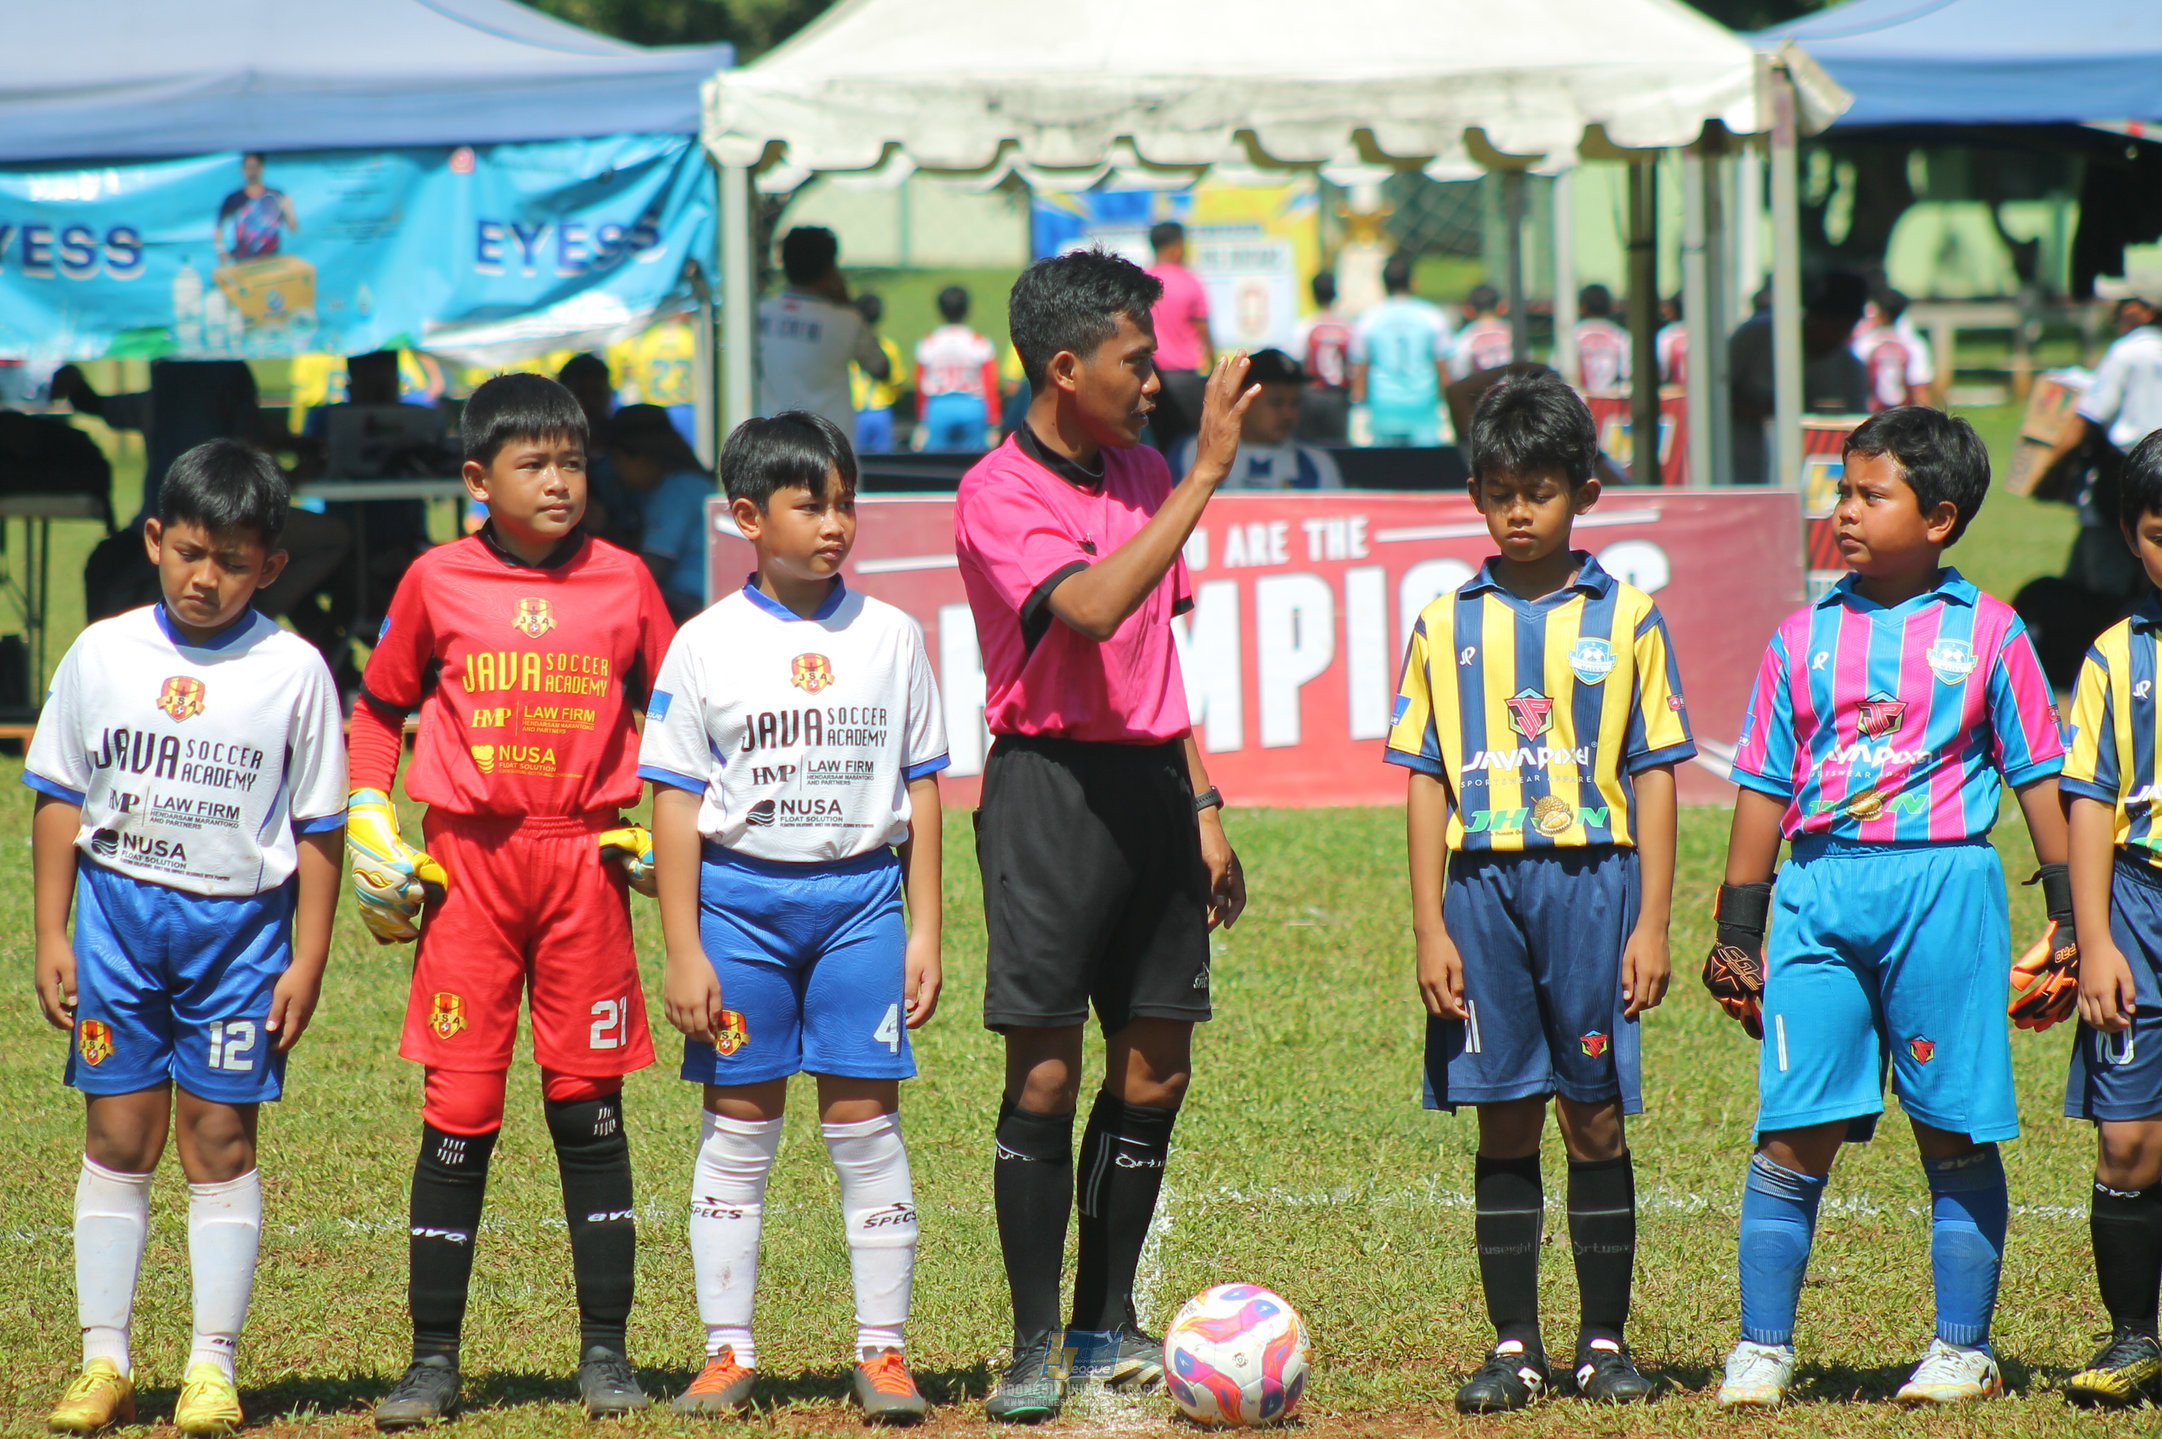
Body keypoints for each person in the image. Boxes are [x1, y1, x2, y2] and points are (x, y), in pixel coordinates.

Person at [1708, 406, 2071, 1408]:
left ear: (1940, 516)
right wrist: (1738, 925)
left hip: (1943, 892)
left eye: (1871, 494)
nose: (1845, 512)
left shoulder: (1990, 633)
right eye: (1842, 492)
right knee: (1791, 1125)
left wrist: (2070, 915)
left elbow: (2038, 776)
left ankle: (1961, 1347)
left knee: (1951, 1126)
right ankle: (1761, 1345)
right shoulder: (1800, 638)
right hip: (1819, 894)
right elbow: (1759, 785)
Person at [953, 250, 1249, 1422]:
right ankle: (1030, 1339)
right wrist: (1207, 473)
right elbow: (1088, 610)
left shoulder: (1137, 467)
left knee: (1155, 1064)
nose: (1155, 377)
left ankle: (1103, 1317)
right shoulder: (995, 493)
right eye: (1136, 358)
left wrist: (1205, 803)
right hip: (1046, 791)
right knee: (1043, 1069)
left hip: (1149, 790)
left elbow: (1154, 652)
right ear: (1063, 366)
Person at [351, 373, 676, 1427]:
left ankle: (606, 1354)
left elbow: (679, 719)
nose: (558, 482)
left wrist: (660, 828)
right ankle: (432, 1360)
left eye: (572, 462)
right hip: (468, 874)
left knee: (587, 1105)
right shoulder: (434, 579)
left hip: (580, 864)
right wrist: (369, 814)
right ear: (476, 480)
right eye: (533, 464)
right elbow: (379, 707)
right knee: (459, 1111)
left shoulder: (626, 581)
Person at [1385, 370, 1691, 1413]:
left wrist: (1650, 917)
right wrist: (1428, 923)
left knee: (1593, 1117)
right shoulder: (1440, 622)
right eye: (1499, 487)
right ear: (1473, 493)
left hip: (1595, 886)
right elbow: (1424, 778)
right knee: (1503, 1115)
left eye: (1541, 488)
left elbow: (1655, 772)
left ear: (1585, 493)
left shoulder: (1628, 617)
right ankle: (1512, 1344)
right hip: (1480, 889)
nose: (1519, 509)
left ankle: (1602, 1341)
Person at [638, 410, 949, 1423]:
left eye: (845, 500)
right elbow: (674, 802)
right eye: (809, 503)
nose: (834, 522)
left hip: (860, 903)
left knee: (865, 1126)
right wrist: (683, 946)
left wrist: (926, 925)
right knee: (740, 1129)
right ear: (745, 517)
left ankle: (883, 1352)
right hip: (739, 910)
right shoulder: (702, 645)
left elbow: (924, 792)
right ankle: (727, 1354)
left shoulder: (893, 636)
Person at [31, 440, 347, 1437]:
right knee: (117, 1135)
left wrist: (308, 955)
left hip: (238, 938)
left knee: (220, 1137)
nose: (207, 578)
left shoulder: (294, 669)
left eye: (236, 561)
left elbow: (320, 825)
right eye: (192, 552)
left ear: (272, 567)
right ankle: (104, 1357)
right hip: (118, 926)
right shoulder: (103, 651)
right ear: (155, 538)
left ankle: (212, 1366)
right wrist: (51, 928)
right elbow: (58, 797)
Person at [2054, 428, 2162, 1408]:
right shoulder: (2114, 658)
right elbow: (2087, 801)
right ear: (2132, 539)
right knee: (2127, 1141)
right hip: (2137, 904)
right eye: (2159, 532)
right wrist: (2093, 943)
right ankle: (2132, 1333)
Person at [1728, 274, 1871, 486]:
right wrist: (1761, 411)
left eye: (1844, 329)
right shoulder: (1754, 338)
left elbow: (1855, 430)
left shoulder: (1850, 368)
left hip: (1813, 477)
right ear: (1810, 316)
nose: (1834, 336)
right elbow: (1713, 396)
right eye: (1829, 326)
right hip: (1742, 468)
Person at [759, 226, 891, 439]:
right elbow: (882, 369)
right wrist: (844, 299)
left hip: (770, 450)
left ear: (783, 262)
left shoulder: (757, 313)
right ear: (831, 267)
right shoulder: (847, 320)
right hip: (829, 454)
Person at [1172, 349, 1343, 489]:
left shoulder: (1318, 465)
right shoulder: (1193, 453)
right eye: (1276, 403)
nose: (1288, 414)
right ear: (1241, 399)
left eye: (1295, 403)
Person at [609, 402, 715, 623]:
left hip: (694, 601)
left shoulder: (677, 490)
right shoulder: (676, 486)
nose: (616, 470)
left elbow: (652, 568)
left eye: (619, 459)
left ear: (643, 458)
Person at [1352, 253, 1453, 447]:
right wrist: (1444, 408)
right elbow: (1442, 369)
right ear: (1412, 282)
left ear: (1383, 284)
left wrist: (1359, 411)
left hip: (1383, 410)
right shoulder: (1432, 317)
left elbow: (1361, 370)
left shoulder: (1368, 319)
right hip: (1424, 410)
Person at [1144, 220, 1214, 456]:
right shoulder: (1190, 281)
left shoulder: (1142, 281)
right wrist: (1213, 366)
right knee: (1192, 447)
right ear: (1176, 246)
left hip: (1150, 379)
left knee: (1158, 446)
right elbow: (1203, 330)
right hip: (1187, 381)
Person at [558, 352, 639, 550]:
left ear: (610, 394)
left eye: (597, 393)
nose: (589, 402)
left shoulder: (629, 442)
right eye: (581, 394)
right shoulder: (550, 446)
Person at [914, 285, 1001, 450]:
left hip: (938, 407)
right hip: (972, 406)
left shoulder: (928, 342)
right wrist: (994, 420)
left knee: (935, 465)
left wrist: (921, 419)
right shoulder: (979, 342)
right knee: (973, 462)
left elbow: (920, 384)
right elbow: (990, 384)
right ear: (967, 309)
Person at [1293, 271, 1355, 442]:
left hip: (1311, 394)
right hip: (1338, 395)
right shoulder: (1347, 326)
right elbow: (1353, 363)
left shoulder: (1306, 326)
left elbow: (1298, 360)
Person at [1851, 289, 1935, 411]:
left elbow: (1856, 384)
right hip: (1902, 415)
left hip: (1871, 414)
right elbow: (1920, 390)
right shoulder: (1914, 344)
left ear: (1881, 313)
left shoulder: (1864, 343)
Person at [215, 154, 298, 264]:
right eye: (248, 168)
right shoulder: (233, 199)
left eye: (255, 167)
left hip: (271, 262)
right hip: (243, 262)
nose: (252, 172)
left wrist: (288, 210)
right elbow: (218, 228)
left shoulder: (275, 195)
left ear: (261, 168)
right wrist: (221, 250)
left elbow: (293, 229)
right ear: (242, 170)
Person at [850, 293, 905, 455]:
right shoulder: (888, 347)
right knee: (884, 463)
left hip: (855, 410)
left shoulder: (847, 347)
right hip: (881, 410)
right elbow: (897, 382)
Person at [1573, 285, 1632, 395]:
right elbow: (1627, 373)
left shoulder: (1572, 335)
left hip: (1578, 401)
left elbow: (1558, 369)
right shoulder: (1620, 336)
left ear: (1582, 307)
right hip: (1611, 402)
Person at [1449, 284, 1514, 380]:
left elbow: (1458, 373)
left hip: (1481, 391)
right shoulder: (1512, 332)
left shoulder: (1465, 337)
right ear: (1502, 307)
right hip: (1513, 391)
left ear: (1468, 310)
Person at [1655, 295, 1688, 387]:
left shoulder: (1666, 335)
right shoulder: (1704, 333)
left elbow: (1662, 372)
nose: (1663, 311)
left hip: (1677, 394)